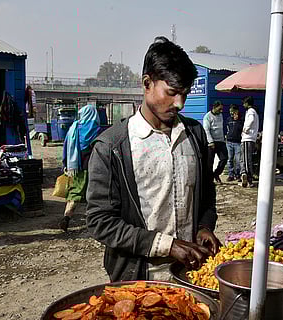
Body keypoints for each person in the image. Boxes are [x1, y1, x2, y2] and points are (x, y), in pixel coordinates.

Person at [85, 36, 221, 282]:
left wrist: (204, 226)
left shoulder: (195, 135)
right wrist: (167, 245)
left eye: (185, 94)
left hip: (191, 274)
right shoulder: (112, 147)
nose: (179, 103)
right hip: (138, 277)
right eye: (171, 93)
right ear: (147, 83)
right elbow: (100, 221)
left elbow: (207, 195)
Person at [58, 104, 100, 231]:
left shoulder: (73, 128)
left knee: (74, 194)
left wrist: (65, 164)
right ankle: (92, 223)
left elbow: (65, 146)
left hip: (75, 168)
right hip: (92, 168)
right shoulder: (96, 129)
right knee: (93, 196)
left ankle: (66, 217)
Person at [202, 100, 227, 183]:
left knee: (224, 159)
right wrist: (210, 142)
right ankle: (209, 180)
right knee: (210, 162)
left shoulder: (221, 115)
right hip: (211, 142)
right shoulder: (208, 117)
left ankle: (216, 174)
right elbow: (206, 130)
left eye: (221, 109)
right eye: (219, 109)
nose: (221, 111)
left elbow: (221, 128)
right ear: (214, 107)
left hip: (221, 141)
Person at [240, 96, 259, 188]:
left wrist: (245, 129)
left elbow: (251, 120)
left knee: (247, 159)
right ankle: (244, 173)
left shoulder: (251, 111)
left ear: (247, 103)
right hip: (250, 138)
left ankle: (249, 177)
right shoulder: (253, 111)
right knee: (245, 158)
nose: (243, 104)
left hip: (248, 138)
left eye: (244, 103)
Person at [226, 104, 243, 182]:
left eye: (233, 112)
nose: (231, 113)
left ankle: (238, 175)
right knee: (230, 159)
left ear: (237, 111)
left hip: (238, 142)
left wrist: (237, 120)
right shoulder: (228, 119)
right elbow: (227, 128)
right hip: (229, 141)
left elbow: (242, 129)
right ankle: (230, 175)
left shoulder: (241, 119)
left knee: (237, 160)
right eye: (230, 112)